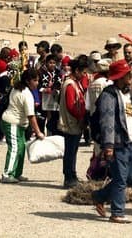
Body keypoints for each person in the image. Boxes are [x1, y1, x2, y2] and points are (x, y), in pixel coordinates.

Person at [92, 59, 132, 224]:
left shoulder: (131, 93)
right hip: (117, 142)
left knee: (130, 176)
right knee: (121, 178)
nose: (131, 76)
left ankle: (99, 196)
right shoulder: (109, 95)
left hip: (129, 140)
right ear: (120, 76)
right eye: (127, 74)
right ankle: (117, 212)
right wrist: (108, 146)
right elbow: (107, 122)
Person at [0, 68, 44, 183]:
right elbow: (31, 116)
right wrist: (38, 132)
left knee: (21, 147)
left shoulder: (17, 88)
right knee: (14, 148)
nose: (37, 83)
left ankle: (17, 173)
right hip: (12, 122)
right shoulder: (26, 94)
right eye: (35, 80)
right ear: (28, 81)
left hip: (16, 123)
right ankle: (7, 174)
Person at [59, 55, 87, 188]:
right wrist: (80, 118)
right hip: (72, 123)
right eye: (83, 71)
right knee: (70, 151)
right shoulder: (70, 84)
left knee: (73, 150)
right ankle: (69, 177)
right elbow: (71, 105)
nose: (84, 74)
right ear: (76, 71)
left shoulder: (76, 83)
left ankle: (73, 174)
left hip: (75, 122)